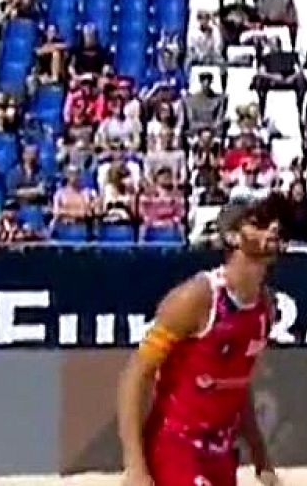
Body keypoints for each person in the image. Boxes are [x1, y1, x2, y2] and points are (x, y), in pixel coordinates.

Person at [116, 196, 286, 486]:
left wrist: (261, 459)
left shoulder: (265, 306)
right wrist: (135, 466)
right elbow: (136, 375)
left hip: (221, 453)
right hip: (175, 445)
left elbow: (238, 386)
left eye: (274, 223)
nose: (273, 229)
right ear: (232, 236)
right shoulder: (197, 298)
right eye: (258, 224)